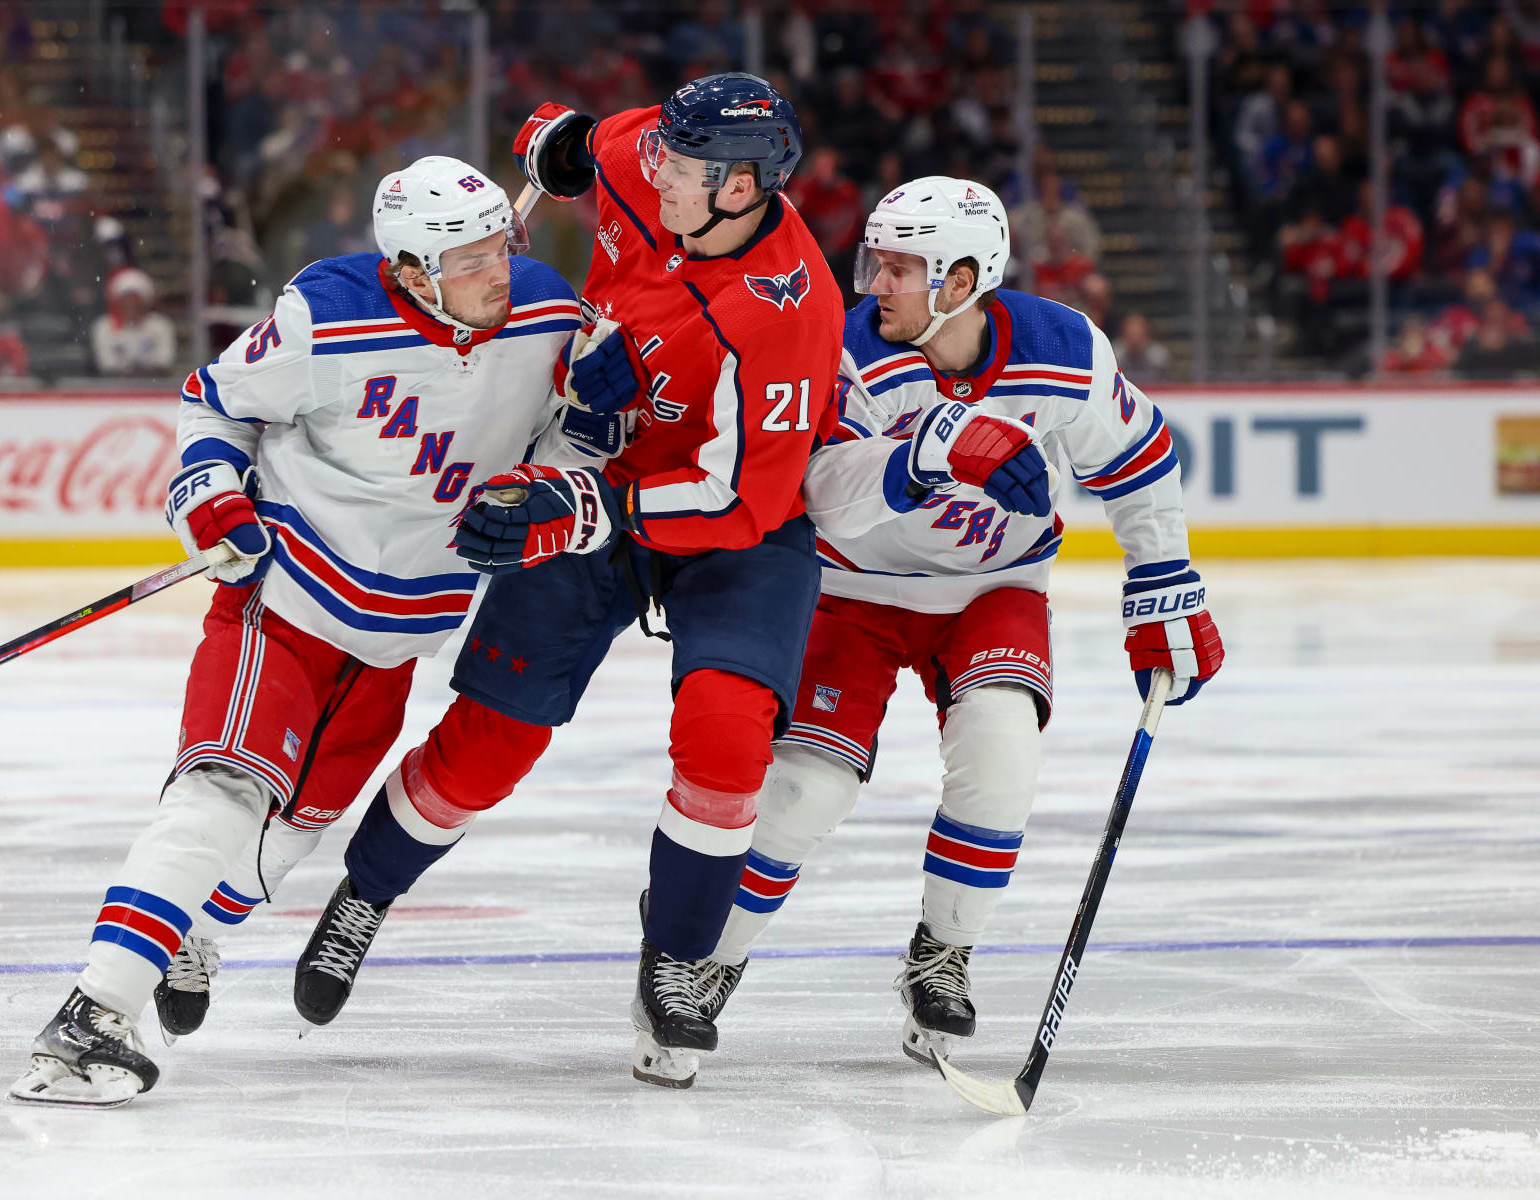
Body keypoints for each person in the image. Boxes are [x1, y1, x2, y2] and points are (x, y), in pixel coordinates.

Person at [286, 74, 1046, 1090]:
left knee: (729, 738)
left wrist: (583, 512)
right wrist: (553, 143)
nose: (657, 175)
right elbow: (584, 137)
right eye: (663, 156)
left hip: (733, 524)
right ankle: (365, 894)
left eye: (682, 169)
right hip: (596, 470)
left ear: (740, 190)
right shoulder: (653, 156)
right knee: (490, 739)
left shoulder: (790, 313)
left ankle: (677, 962)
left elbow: (736, 503)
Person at [7, 155, 587, 1107]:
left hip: (402, 635)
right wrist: (209, 496)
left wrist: (558, 472)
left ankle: (196, 932)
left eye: (505, 245)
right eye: (474, 257)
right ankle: (91, 1016)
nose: (502, 269)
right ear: (410, 270)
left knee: (302, 824)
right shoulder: (327, 314)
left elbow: (563, 438)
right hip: (285, 602)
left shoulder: (548, 312)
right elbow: (215, 405)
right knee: (228, 791)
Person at [695, 177, 1224, 1071]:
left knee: (1002, 760)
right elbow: (814, 488)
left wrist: (1164, 577)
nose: (875, 285)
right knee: (804, 792)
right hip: (854, 590)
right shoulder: (848, 350)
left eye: (900, 268)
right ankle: (707, 959)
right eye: (875, 262)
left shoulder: (1061, 349)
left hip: (993, 589)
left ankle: (943, 954)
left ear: (965, 277)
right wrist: (929, 454)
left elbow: (1137, 460)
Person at [90, 267, 178, 375]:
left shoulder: (161, 326)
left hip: (153, 386)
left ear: (145, 301)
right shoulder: (104, 326)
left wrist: (143, 371)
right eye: (126, 299)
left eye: (135, 299)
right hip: (115, 386)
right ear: (118, 301)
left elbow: (164, 361)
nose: (130, 304)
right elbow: (107, 364)